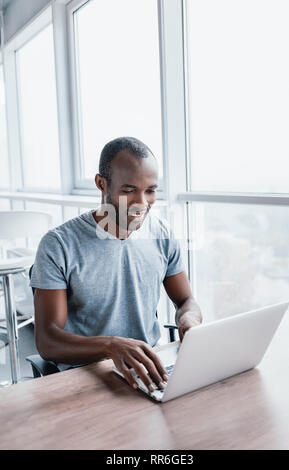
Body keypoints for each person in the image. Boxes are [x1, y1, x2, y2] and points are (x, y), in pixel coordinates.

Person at [30, 137, 202, 392]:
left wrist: (190, 318)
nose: (141, 203)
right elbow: (47, 340)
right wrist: (110, 346)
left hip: (150, 369)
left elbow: (186, 300)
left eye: (150, 190)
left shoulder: (162, 233)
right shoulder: (59, 245)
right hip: (86, 375)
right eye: (128, 190)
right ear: (102, 184)